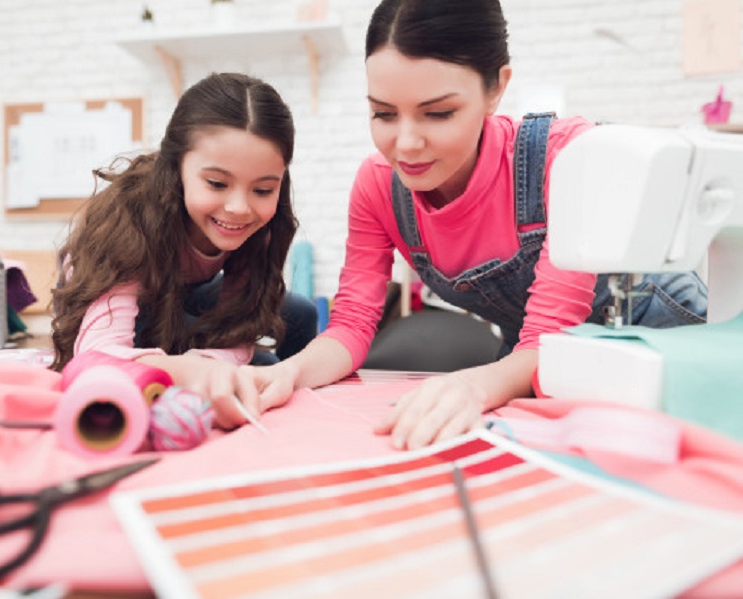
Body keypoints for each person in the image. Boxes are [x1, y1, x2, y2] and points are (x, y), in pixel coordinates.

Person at [254, 0, 707, 449]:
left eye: (438, 113)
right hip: (536, 363)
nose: (406, 144)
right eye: (384, 114)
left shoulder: (564, 157)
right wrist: (286, 372)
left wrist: (474, 386)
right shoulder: (379, 189)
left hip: (661, 337)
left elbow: (549, 333)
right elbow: (352, 325)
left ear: (497, 88)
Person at [51, 72, 316, 429]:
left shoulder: (262, 228)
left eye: (263, 190)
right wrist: (189, 369)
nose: (240, 207)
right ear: (176, 169)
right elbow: (96, 355)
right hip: (121, 292)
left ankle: (306, 407)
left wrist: (213, 365)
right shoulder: (129, 222)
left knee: (298, 314)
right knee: (170, 354)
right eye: (217, 184)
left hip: (185, 289)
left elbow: (240, 325)